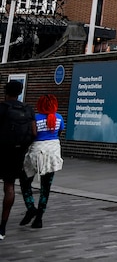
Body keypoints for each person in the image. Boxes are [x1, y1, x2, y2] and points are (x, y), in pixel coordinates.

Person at [18, 94, 64, 229]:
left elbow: (31, 135)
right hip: (52, 154)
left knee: (25, 181)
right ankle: (39, 218)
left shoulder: (35, 119)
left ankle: (31, 207)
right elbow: (59, 132)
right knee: (46, 187)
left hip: (36, 153)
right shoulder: (59, 118)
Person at [0, 80, 36, 241]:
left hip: (2, 150)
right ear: (20, 92)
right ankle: (2, 227)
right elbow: (34, 133)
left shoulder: (2, 108)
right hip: (17, 153)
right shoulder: (28, 109)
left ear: (5, 91)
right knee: (9, 187)